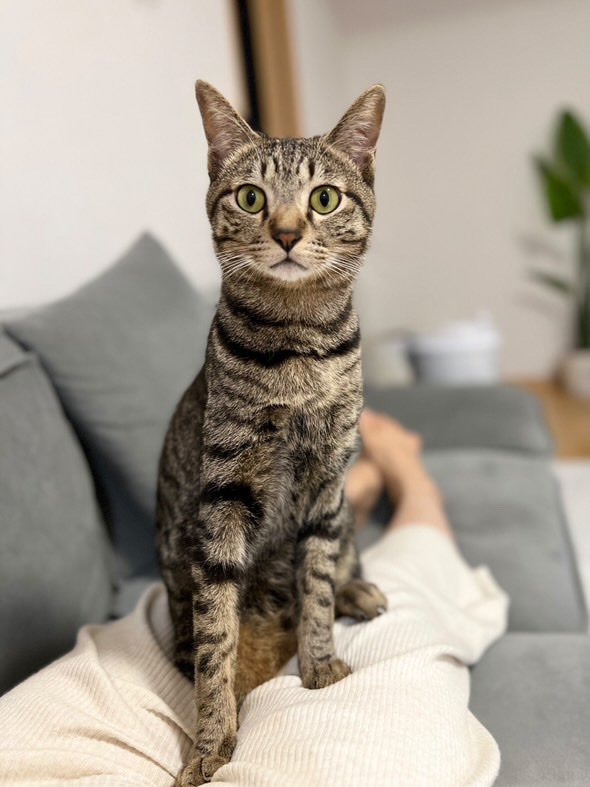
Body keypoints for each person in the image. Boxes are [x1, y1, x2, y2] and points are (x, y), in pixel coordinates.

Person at [0, 411, 508, 787]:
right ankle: (407, 485)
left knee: (285, 533)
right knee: (402, 590)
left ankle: (363, 486)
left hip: (129, 685)